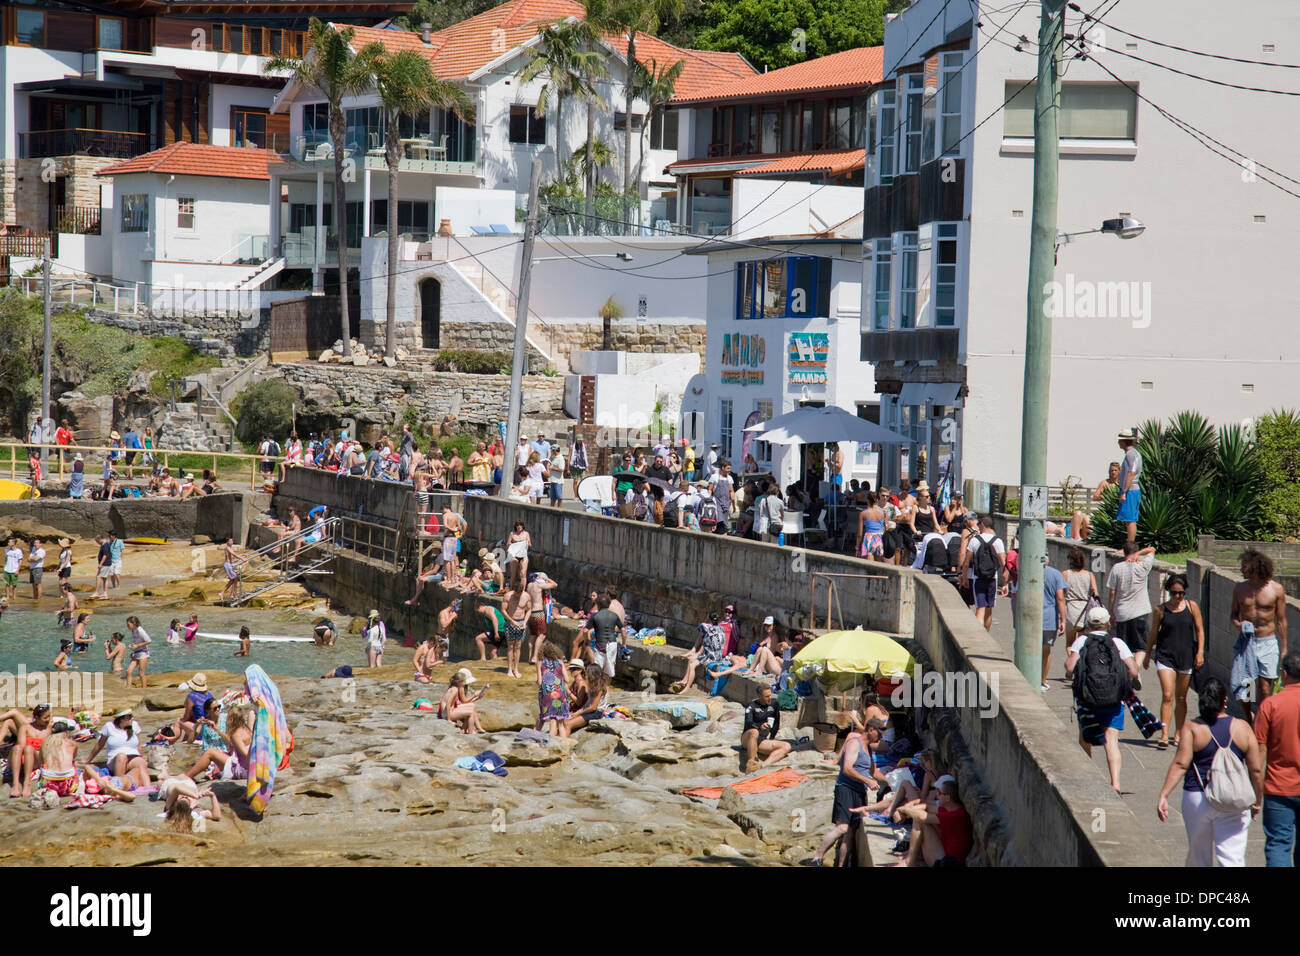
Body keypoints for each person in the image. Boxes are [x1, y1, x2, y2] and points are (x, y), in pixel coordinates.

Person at [1157, 677, 1264, 867]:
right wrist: (1257, 800)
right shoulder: (1242, 728)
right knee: (1233, 858)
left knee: (1199, 857)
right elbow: (1255, 769)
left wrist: (1164, 795)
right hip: (1235, 800)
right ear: (1224, 701)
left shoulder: (1192, 728)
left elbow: (1181, 764)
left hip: (1198, 797)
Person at [1065, 606, 1139, 795]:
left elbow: (1070, 667)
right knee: (1111, 741)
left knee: (1085, 738)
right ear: (1108, 623)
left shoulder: (1082, 641)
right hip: (1114, 700)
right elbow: (1133, 670)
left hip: (1087, 700)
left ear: (1088, 624)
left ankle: (1089, 778)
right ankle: (1115, 783)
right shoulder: (1117, 643)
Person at [1146, 573, 1205, 749]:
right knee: (1167, 695)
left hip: (1186, 656)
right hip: (1165, 656)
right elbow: (1153, 633)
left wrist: (1200, 652)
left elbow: (1200, 631)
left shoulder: (1191, 607)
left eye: (1181, 593)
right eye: (1174, 593)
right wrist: (1148, 653)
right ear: (1168, 591)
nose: (1178, 596)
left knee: (1181, 697)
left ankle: (1178, 733)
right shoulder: (1160, 610)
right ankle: (1164, 734)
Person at [1231, 547, 1289, 723]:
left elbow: (1281, 620)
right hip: (1247, 643)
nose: (1241, 570)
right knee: (1246, 686)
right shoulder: (1240, 589)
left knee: (1265, 688)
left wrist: (1284, 647)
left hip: (1268, 642)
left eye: (1244, 566)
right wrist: (1238, 625)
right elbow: (1233, 615)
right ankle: (1248, 717)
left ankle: (1263, 719)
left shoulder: (1276, 590)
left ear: (1255, 568)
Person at [1255, 651, 1300, 867]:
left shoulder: (1270, 705)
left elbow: (1260, 751)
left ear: (1284, 673)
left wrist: (1256, 792)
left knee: (1278, 845)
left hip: (1278, 788)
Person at [812, 724, 880, 866]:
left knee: (850, 833)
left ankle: (841, 864)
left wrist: (894, 781)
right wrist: (867, 781)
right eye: (879, 733)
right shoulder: (854, 744)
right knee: (842, 827)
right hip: (846, 788)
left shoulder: (868, 749)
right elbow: (847, 769)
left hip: (860, 792)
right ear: (871, 729)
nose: (881, 737)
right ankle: (816, 857)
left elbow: (873, 772)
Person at [1107, 542, 1156, 688]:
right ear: (1135, 552)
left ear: (1124, 553)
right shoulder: (1143, 566)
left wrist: (1111, 611)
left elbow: (1112, 592)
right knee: (1141, 647)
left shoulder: (1117, 568)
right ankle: (1135, 669)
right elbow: (1152, 550)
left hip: (1122, 613)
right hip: (1140, 612)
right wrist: (1139, 554)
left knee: (1124, 646)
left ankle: (1131, 671)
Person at [894, 776, 973, 868]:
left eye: (939, 792)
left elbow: (923, 817)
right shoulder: (950, 808)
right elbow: (926, 806)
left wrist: (903, 809)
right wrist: (904, 812)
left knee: (919, 820)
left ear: (947, 797)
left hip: (946, 862)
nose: (936, 794)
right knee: (921, 818)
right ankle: (914, 857)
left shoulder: (955, 815)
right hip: (944, 853)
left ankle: (910, 862)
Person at [173, 705, 253, 782]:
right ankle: (189, 776)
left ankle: (187, 777)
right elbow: (230, 741)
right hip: (246, 767)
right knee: (215, 753)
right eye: (215, 708)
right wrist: (215, 728)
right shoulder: (247, 730)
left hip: (241, 769)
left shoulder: (236, 734)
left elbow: (246, 753)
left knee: (210, 752)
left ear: (231, 719)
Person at [84, 709, 151, 790]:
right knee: (121, 756)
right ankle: (118, 786)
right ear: (121, 719)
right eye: (129, 717)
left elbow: (139, 745)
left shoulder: (134, 725)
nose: (132, 719)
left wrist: (142, 756)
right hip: (116, 759)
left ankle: (148, 789)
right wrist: (88, 760)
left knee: (141, 762)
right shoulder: (109, 726)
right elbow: (100, 744)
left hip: (133, 757)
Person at [958, 516, 1004, 631]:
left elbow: (967, 562)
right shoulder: (997, 541)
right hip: (993, 578)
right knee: (989, 609)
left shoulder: (975, 540)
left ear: (982, 525)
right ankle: (987, 634)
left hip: (978, 578)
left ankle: (979, 635)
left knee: (980, 608)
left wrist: (964, 577)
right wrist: (1006, 583)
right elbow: (1004, 563)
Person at [741, 684, 790, 773]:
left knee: (787, 746)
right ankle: (751, 762)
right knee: (754, 732)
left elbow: (776, 723)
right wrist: (760, 726)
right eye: (766, 696)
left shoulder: (774, 704)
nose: (769, 698)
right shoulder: (751, 705)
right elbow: (748, 722)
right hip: (748, 738)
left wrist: (772, 738)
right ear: (759, 696)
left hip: (762, 740)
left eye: (770, 695)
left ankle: (761, 765)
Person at [674, 611, 727, 694]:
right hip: (719, 655)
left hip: (711, 657)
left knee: (692, 665)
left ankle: (687, 687)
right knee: (692, 659)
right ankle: (684, 681)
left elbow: (706, 644)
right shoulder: (722, 629)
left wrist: (699, 654)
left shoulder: (709, 630)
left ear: (710, 620)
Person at [1062, 546, 1099, 643]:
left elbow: (1060, 594)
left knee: (1070, 643)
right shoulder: (1090, 575)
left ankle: (1072, 658)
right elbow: (1096, 593)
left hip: (1071, 609)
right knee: (1082, 643)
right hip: (1084, 611)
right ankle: (1080, 658)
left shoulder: (1065, 574)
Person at [535, 640, 571, 737]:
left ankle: (550, 745)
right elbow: (567, 679)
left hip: (547, 695)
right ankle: (564, 745)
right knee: (561, 724)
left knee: (552, 721)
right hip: (560, 694)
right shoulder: (560, 662)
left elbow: (539, 681)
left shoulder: (540, 662)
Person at [439, 669, 486, 734]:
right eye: (464, 682)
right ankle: (471, 732)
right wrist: (449, 720)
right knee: (470, 712)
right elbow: (448, 704)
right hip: (447, 714)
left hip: (450, 711)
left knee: (471, 707)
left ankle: (465, 730)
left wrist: (476, 697)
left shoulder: (454, 688)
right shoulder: (454, 690)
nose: (465, 684)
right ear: (460, 682)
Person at [1116, 429, 1142, 543]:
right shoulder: (1131, 454)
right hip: (1130, 490)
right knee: (1128, 520)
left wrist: (1124, 492)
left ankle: (1130, 547)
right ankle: (1129, 545)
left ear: (1123, 441)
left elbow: (1131, 473)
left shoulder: (1131, 454)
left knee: (1130, 519)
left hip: (1130, 491)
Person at [501, 585, 531, 679]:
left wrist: (525, 622)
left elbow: (529, 609)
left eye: (520, 594)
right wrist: (511, 621)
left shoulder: (526, 596)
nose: (518, 596)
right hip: (511, 622)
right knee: (510, 646)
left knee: (518, 646)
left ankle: (516, 669)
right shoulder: (508, 596)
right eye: (517, 594)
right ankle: (509, 669)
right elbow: (503, 610)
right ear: (514, 591)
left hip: (522, 621)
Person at [176, 673, 215, 743]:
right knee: (191, 721)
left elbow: (186, 718)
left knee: (179, 721)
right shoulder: (210, 695)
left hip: (201, 730)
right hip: (211, 729)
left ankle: (171, 742)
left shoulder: (191, 697)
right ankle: (185, 742)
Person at [707, 459, 734, 535]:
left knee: (725, 522)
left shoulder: (729, 478)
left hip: (726, 503)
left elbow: (731, 491)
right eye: (728, 468)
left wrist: (733, 504)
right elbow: (710, 489)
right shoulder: (714, 477)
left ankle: (724, 536)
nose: (730, 470)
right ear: (723, 468)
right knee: (718, 520)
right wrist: (709, 500)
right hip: (717, 501)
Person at [857, 492, 886, 560]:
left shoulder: (863, 513)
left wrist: (857, 547)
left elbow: (860, 535)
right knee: (878, 567)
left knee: (868, 566)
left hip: (868, 538)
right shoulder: (883, 513)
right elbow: (885, 527)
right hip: (879, 538)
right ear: (877, 500)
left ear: (867, 500)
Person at [123, 615, 150, 688]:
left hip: (143, 653)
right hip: (137, 653)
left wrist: (137, 646)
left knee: (141, 673)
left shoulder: (140, 630)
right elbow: (138, 641)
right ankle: (128, 688)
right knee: (128, 671)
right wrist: (134, 646)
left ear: (134, 623)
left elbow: (149, 641)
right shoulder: (133, 630)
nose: (127, 626)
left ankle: (144, 690)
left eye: (128, 624)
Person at [505, 520, 530, 589]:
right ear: (515, 527)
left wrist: (527, 543)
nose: (519, 527)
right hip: (515, 555)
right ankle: (511, 589)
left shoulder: (526, 534)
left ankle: (523, 590)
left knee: (523, 573)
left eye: (520, 525)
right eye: (517, 525)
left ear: (522, 526)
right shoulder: (512, 534)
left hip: (523, 555)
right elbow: (508, 544)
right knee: (513, 574)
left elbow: (530, 545)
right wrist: (513, 545)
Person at [219, 537, 239, 603]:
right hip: (228, 565)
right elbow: (234, 554)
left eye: (232, 541)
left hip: (230, 565)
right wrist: (242, 558)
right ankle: (227, 593)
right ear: (227, 542)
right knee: (235, 578)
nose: (232, 542)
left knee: (234, 579)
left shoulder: (230, 548)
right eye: (231, 541)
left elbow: (233, 555)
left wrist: (243, 555)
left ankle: (232, 594)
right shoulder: (227, 548)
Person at [2, 537, 21, 603]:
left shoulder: (18, 551)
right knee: (7, 584)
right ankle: (7, 596)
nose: (8, 543)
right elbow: (6, 560)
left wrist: (18, 570)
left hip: (14, 570)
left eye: (9, 542)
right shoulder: (7, 550)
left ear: (13, 543)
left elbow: (20, 561)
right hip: (7, 570)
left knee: (14, 585)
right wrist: (4, 568)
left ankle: (14, 596)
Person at [27, 537, 45, 602]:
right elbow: (28, 559)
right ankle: (35, 597)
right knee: (33, 584)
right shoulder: (34, 550)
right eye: (35, 543)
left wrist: (32, 558)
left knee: (38, 584)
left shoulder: (42, 551)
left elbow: (36, 559)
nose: (35, 544)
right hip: (32, 568)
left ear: (40, 544)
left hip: (38, 568)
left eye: (37, 543)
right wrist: (32, 558)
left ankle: (39, 598)